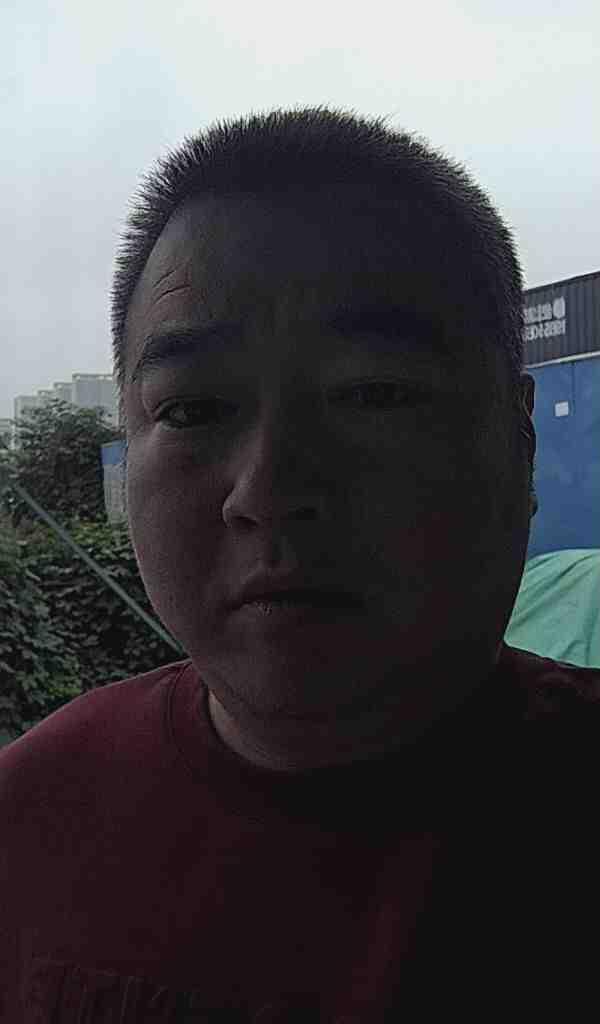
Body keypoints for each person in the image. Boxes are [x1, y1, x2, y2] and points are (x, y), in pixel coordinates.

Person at [1, 106, 599, 1023]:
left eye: (374, 394)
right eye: (194, 409)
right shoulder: (29, 818)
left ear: (519, 438)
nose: (269, 490)